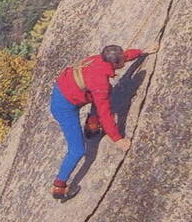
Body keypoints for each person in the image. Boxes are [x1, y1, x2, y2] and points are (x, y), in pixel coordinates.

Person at [50, 43, 157, 201]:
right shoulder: (100, 84)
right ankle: (59, 186)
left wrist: (142, 51)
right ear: (113, 63)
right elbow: (105, 113)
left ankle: (92, 126)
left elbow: (123, 56)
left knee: (104, 94)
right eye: (120, 60)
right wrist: (117, 139)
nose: (124, 60)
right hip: (64, 107)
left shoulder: (99, 59)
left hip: (67, 90)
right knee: (78, 150)